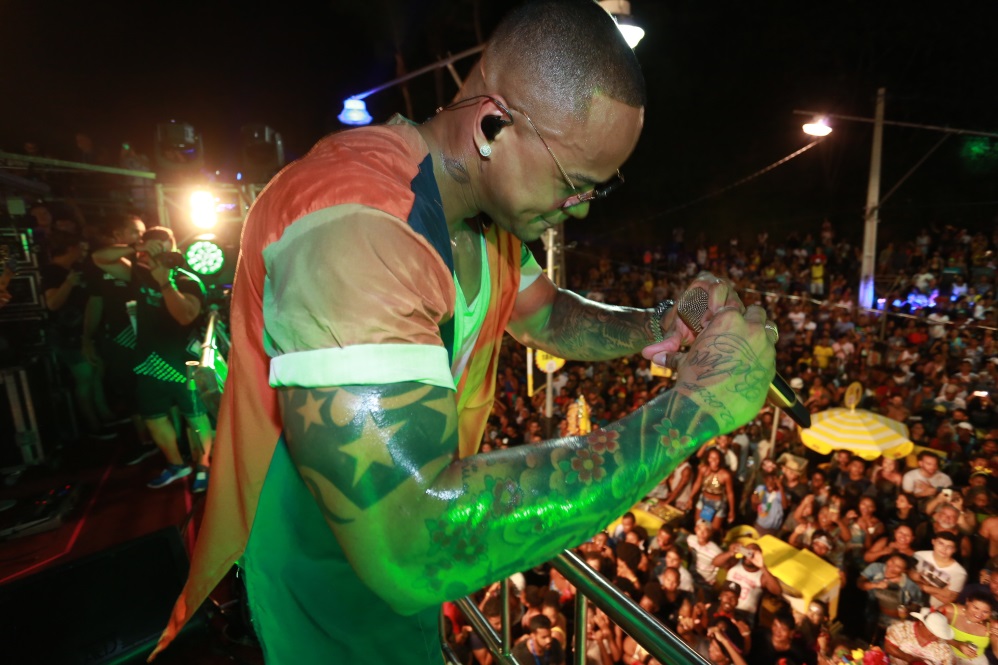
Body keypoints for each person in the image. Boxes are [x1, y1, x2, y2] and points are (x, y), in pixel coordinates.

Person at [151, 2, 778, 663]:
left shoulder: (487, 215)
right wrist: (695, 407)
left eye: (600, 187)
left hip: (390, 596)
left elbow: (547, 312)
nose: (583, 208)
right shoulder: (355, 226)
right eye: (574, 183)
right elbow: (409, 543)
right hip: (326, 593)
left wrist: (661, 325)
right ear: (493, 124)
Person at [92, 226, 214, 491]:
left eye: (162, 246)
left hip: (182, 362)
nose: (157, 253)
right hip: (149, 362)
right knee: (153, 416)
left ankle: (203, 467)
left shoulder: (187, 280)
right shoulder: (139, 275)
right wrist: (136, 248)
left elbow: (185, 315)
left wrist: (165, 282)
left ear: (173, 247)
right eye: (152, 246)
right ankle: (176, 464)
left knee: (195, 417)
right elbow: (100, 258)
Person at [911, 533, 969, 609]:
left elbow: (949, 600)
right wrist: (941, 592)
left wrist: (922, 585)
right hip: (911, 599)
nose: (944, 549)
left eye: (949, 547)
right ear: (933, 542)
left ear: (954, 550)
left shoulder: (960, 573)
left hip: (935, 609)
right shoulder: (919, 555)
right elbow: (910, 579)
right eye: (941, 543)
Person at [884, 608, 955, 665]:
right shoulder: (901, 628)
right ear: (921, 623)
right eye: (934, 632)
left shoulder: (945, 650)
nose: (937, 637)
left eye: (939, 634)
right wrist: (909, 658)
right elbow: (888, 646)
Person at [689, 446, 738, 530]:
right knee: (698, 527)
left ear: (720, 460)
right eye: (711, 458)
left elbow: (730, 493)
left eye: (716, 458)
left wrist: (732, 511)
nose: (714, 461)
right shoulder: (703, 469)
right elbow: (698, 483)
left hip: (718, 504)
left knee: (713, 530)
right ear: (707, 458)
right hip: (703, 500)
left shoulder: (725, 475)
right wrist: (690, 497)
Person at [938, 589, 992, 665]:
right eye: (976, 608)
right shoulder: (950, 611)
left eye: (985, 612)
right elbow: (932, 632)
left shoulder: (991, 625)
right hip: (947, 655)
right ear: (967, 602)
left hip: (976, 661)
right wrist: (957, 644)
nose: (979, 614)